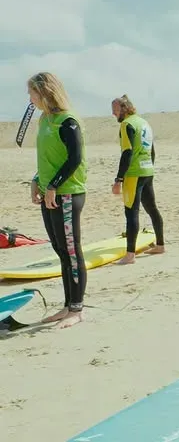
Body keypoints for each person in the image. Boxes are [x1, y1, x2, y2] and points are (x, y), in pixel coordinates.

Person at [27, 72, 87, 329]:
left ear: (45, 92)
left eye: (32, 92)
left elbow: (74, 159)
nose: (29, 98)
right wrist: (37, 180)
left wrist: (53, 186)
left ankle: (77, 309)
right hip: (49, 193)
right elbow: (50, 159)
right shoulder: (44, 120)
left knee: (72, 252)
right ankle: (67, 305)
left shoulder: (68, 121)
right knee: (60, 250)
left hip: (67, 194)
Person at [110, 95, 165, 264]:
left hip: (134, 174)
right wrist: (150, 167)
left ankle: (130, 255)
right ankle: (161, 245)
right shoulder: (143, 123)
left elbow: (127, 153)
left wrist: (118, 179)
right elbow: (152, 150)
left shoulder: (127, 125)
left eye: (115, 110)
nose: (113, 114)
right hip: (148, 170)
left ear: (124, 109)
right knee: (152, 208)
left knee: (131, 212)